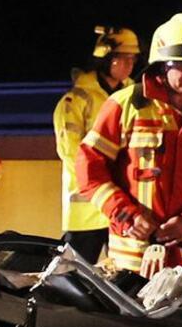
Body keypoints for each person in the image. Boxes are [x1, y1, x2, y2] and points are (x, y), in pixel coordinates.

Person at [74, 13, 182, 274]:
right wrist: (127, 215)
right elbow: (89, 167)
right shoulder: (126, 104)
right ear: (163, 63)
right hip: (131, 252)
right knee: (124, 313)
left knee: (175, 312)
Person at [55, 26, 139, 261]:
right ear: (105, 58)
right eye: (123, 59)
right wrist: (100, 184)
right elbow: (70, 153)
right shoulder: (76, 100)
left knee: (125, 278)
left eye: (132, 59)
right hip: (87, 213)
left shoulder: (135, 98)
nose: (129, 65)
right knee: (75, 278)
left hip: (122, 208)